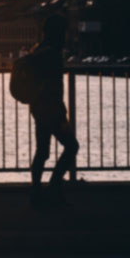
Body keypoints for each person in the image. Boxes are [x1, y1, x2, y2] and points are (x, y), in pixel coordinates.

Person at [28, 14, 80, 207]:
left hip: (38, 107)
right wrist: (62, 115)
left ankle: (37, 193)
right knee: (71, 146)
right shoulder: (53, 55)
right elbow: (54, 88)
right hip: (52, 110)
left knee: (42, 151)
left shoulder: (39, 50)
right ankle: (54, 186)